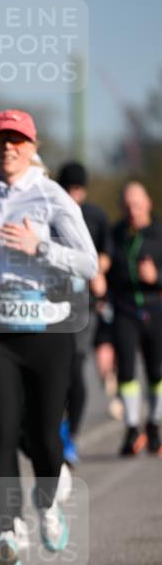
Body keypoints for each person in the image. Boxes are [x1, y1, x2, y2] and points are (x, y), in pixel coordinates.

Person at [0, 110, 98, 565]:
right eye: (1, 140)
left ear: (32, 146)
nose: (8, 148)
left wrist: (38, 246)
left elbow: (88, 264)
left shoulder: (52, 196)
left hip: (47, 329)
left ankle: (48, 504)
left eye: (17, 140)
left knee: (42, 435)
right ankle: (6, 532)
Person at [56, 162, 112, 464]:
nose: (73, 196)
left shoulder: (95, 217)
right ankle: (56, 432)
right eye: (68, 189)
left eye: (78, 190)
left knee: (75, 372)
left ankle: (70, 437)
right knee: (53, 374)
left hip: (83, 305)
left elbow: (105, 254)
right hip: (50, 305)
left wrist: (96, 269)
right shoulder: (48, 213)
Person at [108, 181, 162, 456]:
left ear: (148, 204)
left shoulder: (158, 234)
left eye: (137, 205)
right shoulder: (115, 234)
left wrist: (157, 278)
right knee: (126, 371)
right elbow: (104, 267)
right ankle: (131, 429)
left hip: (156, 309)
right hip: (125, 311)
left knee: (157, 373)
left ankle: (154, 425)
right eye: (127, 206)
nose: (132, 211)